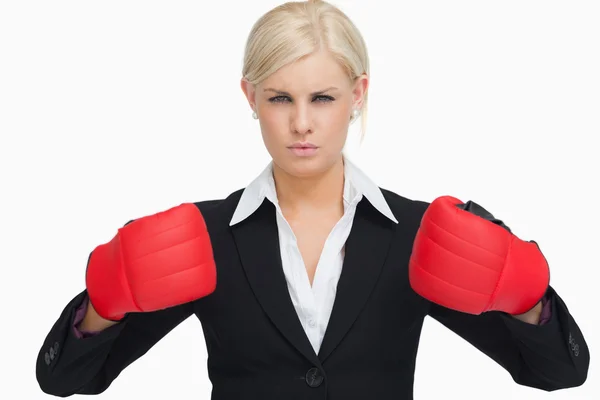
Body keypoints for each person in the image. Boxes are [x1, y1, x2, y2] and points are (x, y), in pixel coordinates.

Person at [36, 0, 589, 399]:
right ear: (250, 98)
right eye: (280, 98)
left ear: (359, 94)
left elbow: (557, 375)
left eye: (322, 97)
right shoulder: (202, 237)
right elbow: (66, 381)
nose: (301, 123)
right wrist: (101, 306)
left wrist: (528, 299)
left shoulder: (420, 234)